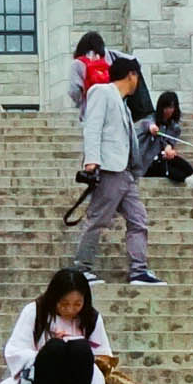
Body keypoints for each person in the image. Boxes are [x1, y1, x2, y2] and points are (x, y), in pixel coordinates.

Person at [72, 54, 164, 287]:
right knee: (98, 219)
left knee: (138, 219)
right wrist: (91, 161)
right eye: (137, 77)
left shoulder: (123, 104)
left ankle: (138, 270)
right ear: (131, 75)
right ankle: (82, 269)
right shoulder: (101, 92)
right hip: (110, 169)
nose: (138, 83)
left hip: (125, 172)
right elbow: (92, 127)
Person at [0, 267, 116, 384]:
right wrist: (49, 349)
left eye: (77, 304)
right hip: (43, 382)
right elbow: (15, 351)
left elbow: (103, 357)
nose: (70, 310)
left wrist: (76, 350)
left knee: (80, 347)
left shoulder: (91, 318)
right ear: (54, 299)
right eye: (64, 304)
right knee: (56, 348)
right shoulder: (36, 311)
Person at [134, 90, 193, 188]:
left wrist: (169, 150)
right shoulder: (152, 118)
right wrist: (152, 127)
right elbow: (147, 123)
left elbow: (169, 143)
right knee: (163, 165)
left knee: (174, 159)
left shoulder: (174, 127)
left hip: (161, 158)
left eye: (171, 107)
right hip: (147, 164)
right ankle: (187, 179)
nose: (168, 110)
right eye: (166, 107)